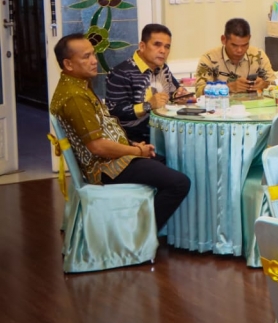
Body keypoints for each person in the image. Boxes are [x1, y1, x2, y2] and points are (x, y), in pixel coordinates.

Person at [49, 34, 190, 229]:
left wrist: (132, 146)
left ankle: (146, 227)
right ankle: (136, 236)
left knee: (165, 162)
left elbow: (104, 129)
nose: (94, 61)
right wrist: (136, 152)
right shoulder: (75, 97)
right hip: (104, 168)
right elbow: (97, 147)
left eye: (93, 55)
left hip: (112, 158)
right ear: (68, 64)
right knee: (179, 182)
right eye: (86, 57)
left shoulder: (76, 85)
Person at [105, 23, 189, 144]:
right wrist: (148, 105)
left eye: (167, 47)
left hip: (165, 136)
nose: (163, 51)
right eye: (157, 45)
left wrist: (179, 95)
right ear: (142, 46)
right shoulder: (121, 73)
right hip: (136, 143)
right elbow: (114, 112)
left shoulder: (162, 68)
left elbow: (174, 91)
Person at [194, 18, 276, 96]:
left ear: (249, 39)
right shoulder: (209, 58)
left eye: (245, 45)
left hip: (253, 107)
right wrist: (228, 88)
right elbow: (199, 91)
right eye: (234, 45)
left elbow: (275, 84)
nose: (240, 50)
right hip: (221, 108)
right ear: (223, 40)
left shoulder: (258, 55)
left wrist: (265, 85)